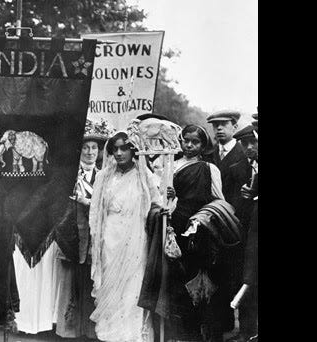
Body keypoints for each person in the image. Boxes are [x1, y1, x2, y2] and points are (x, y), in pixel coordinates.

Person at [164, 124, 237, 342]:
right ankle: (179, 332)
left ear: (203, 145)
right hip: (173, 227)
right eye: (185, 140)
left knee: (195, 280)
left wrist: (202, 220)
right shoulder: (171, 165)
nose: (189, 145)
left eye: (195, 142)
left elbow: (218, 201)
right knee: (173, 279)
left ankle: (200, 331)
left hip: (197, 231)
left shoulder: (208, 169)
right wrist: (168, 193)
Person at [88, 131, 160, 342]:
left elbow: (157, 204)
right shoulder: (103, 177)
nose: (119, 153)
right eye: (115, 149)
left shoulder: (143, 175)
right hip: (109, 239)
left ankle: (131, 337)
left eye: (124, 148)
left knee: (132, 289)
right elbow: (95, 211)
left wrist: (167, 198)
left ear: (133, 150)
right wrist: (96, 239)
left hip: (135, 239)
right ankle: (110, 336)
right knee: (110, 289)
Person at [54, 131, 106, 339]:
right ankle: (68, 330)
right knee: (69, 283)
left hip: (94, 238)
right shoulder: (68, 176)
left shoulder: (103, 176)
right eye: (85, 147)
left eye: (94, 148)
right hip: (70, 234)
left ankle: (89, 330)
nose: (90, 152)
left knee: (91, 283)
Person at [227, 125, 259, 342]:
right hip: (247, 234)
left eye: (253, 142)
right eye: (244, 143)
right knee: (247, 278)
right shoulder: (238, 168)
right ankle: (247, 330)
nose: (249, 147)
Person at [207, 110, 250, 213]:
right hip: (211, 213)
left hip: (237, 215)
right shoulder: (208, 154)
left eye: (224, 124)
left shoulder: (245, 155)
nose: (219, 128)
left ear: (235, 127)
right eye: (216, 125)